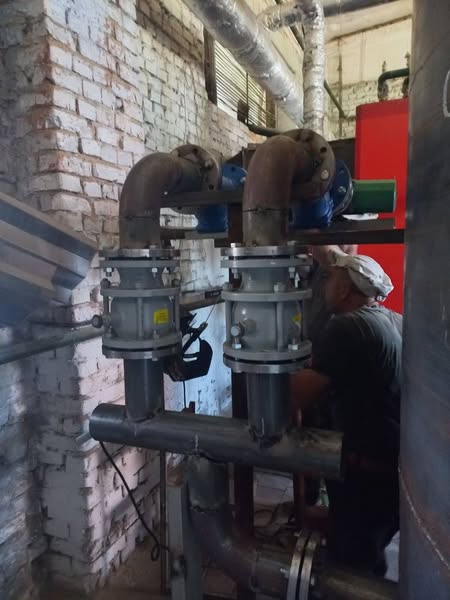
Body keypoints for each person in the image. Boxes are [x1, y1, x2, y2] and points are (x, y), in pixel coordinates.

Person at [292, 250, 402, 575]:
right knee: (365, 552)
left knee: (354, 568)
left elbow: (295, 397)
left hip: (365, 477)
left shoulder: (349, 327)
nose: (324, 285)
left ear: (343, 290)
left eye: (329, 279)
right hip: (392, 468)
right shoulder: (391, 318)